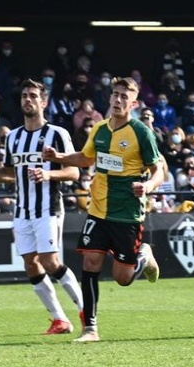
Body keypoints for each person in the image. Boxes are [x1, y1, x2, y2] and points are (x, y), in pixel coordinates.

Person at [44, 77, 164, 343]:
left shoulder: (141, 132)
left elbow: (159, 170)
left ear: (133, 103)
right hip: (98, 209)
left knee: (123, 278)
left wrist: (148, 187)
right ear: (110, 98)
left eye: (125, 96)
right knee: (90, 261)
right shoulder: (98, 129)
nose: (119, 100)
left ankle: (144, 255)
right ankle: (91, 329)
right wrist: (59, 157)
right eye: (116, 95)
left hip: (127, 213)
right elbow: (87, 158)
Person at [0, 79, 84, 335]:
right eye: (24, 96)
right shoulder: (14, 138)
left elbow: (74, 172)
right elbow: (9, 172)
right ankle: (59, 319)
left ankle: (85, 309)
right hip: (22, 210)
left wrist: (48, 175)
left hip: (48, 207)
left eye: (33, 96)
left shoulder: (57, 134)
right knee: (31, 264)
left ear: (44, 102)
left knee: (49, 261)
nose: (27, 100)